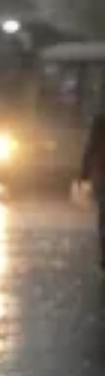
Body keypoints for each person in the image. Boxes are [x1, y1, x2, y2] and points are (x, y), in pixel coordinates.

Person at [80, 112, 105, 271]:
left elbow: (92, 147)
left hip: (103, 171)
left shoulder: (101, 120)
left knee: (103, 214)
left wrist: (84, 174)